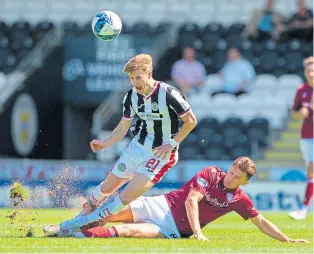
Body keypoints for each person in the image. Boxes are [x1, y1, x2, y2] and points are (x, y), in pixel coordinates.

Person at [58, 54, 197, 234]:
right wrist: (105, 143)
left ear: (149, 73)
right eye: (132, 78)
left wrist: (172, 143)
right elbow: (123, 127)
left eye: (138, 77)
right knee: (107, 188)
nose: (135, 82)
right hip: (137, 147)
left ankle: (80, 223)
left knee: (126, 196)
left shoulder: (169, 94)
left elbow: (191, 121)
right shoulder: (131, 97)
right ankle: (81, 217)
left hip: (161, 153)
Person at [44, 157, 309, 243]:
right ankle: (63, 227)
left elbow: (259, 221)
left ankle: (77, 238)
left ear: (244, 182)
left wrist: (287, 240)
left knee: (126, 231)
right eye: (231, 171)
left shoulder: (240, 199)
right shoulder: (210, 174)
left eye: (236, 177)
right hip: (162, 204)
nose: (230, 177)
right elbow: (191, 201)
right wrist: (199, 233)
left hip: (172, 229)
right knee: (108, 213)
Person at [289, 57, 313, 220]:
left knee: (311, 169)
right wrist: (300, 114)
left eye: (313, 71)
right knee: (311, 171)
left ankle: (303, 209)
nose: (311, 73)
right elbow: (294, 112)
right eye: (308, 71)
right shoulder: (301, 90)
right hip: (306, 136)